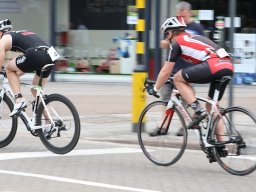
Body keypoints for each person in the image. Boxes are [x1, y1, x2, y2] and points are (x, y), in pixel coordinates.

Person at [147, 16, 233, 140]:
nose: (166, 38)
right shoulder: (197, 38)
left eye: (166, 34)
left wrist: (155, 89)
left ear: (171, 33)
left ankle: (198, 111)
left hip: (213, 65)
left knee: (177, 78)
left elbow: (166, 70)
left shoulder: (176, 43)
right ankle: (221, 147)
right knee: (212, 107)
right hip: (227, 65)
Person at [160, 2, 205, 136]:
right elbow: (163, 43)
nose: (181, 18)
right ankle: (164, 126)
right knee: (166, 99)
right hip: (173, 67)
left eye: (183, 15)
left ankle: (183, 127)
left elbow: (202, 43)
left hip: (189, 70)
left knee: (187, 100)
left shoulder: (196, 27)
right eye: (179, 15)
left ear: (189, 13)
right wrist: (174, 44)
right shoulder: (173, 26)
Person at [0, 19, 59, 116]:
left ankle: (19, 100)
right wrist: (14, 77)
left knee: (9, 68)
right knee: (36, 90)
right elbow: (28, 63)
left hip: (36, 53)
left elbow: (0, 55)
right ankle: (49, 122)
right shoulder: (21, 34)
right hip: (51, 54)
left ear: (2, 32)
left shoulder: (5, 38)